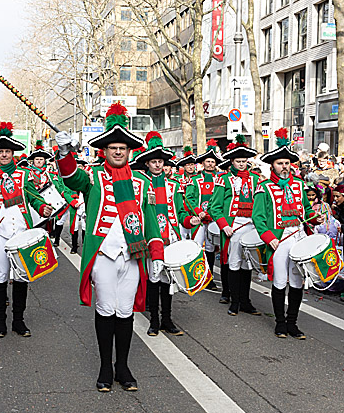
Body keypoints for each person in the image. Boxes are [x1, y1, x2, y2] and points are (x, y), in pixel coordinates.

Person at [55, 103, 164, 391]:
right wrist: (65, 153)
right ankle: (105, 365)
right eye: (113, 147)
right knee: (105, 308)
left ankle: (122, 366)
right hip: (102, 254)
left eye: (123, 148)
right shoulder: (92, 177)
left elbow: (150, 220)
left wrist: (157, 254)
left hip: (132, 255)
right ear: (104, 151)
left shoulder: (141, 181)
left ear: (130, 152)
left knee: (125, 311)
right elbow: (70, 176)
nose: (118, 152)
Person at [0, 123, 52, 338]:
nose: (4, 155)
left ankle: (18, 320)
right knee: (0, 277)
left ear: (12, 153)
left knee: (23, 277)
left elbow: (34, 198)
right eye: (0, 151)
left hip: (23, 233)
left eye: (7, 151)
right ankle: (0, 321)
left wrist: (43, 208)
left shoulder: (24, 176)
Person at [252, 128, 317, 339]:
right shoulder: (264, 187)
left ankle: (292, 323)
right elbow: (258, 218)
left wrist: (315, 217)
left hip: (298, 237)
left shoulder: (299, 185)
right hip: (279, 241)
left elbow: (306, 210)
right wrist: (269, 238)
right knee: (280, 281)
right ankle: (280, 323)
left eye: (287, 163)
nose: (285, 167)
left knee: (297, 282)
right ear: (272, 165)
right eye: (280, 163)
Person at [132, 131, 187, 336]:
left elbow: (180, 212)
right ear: (147, 163)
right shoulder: (141, 185)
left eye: (160, 162)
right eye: (153, 161)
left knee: (168, 279)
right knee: (153, 279)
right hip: (151, 238)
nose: (157, 165)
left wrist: (191, 220)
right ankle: (154, 320)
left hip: (170, 237)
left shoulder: (174, 185)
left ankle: (167, 319)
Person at [212, 136, 263, 317]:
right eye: (238, 161)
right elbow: (214, 206)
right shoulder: (223, 179)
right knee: (234, 263)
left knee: (247, 265)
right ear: (231, 161)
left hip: (251, 226)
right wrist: (224, 225)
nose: (242, 164)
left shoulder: (257, 179)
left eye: (244, 161)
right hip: (232, 227)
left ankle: (246, 301)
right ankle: (234, 302)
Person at [184, 139, 222, 296]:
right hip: (199, 220)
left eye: (213, 162)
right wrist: (198, 211)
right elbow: (189, 197)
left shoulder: (220, 179)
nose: (211, 164)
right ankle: (195, 278)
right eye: (208, 161)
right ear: (202, 163)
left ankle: (210, 278)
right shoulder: (194, 180)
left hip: (213, 219)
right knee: (196, 247)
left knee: (211, 250)